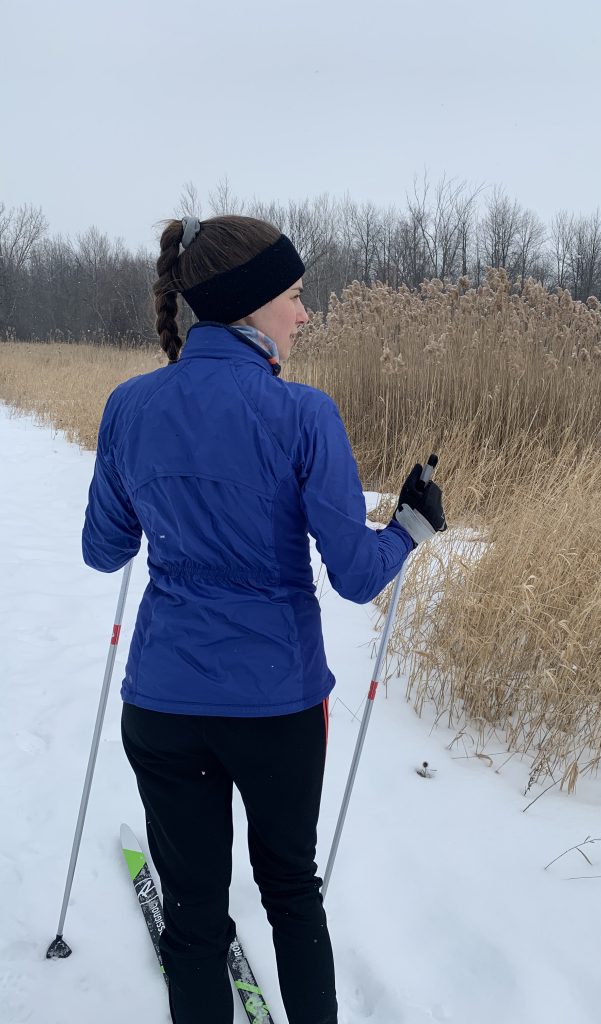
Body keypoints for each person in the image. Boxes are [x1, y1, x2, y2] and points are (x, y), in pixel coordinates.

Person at [81, 215, 446, 1024]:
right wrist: (411, 531)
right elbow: (355, 576)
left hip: (164, 705)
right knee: (289, 890)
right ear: (250, 308)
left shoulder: (129, 405)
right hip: (276, 706)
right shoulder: (304, 415)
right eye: (295, 296)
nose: (304, 314)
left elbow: (104, 550)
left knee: (194, 916)